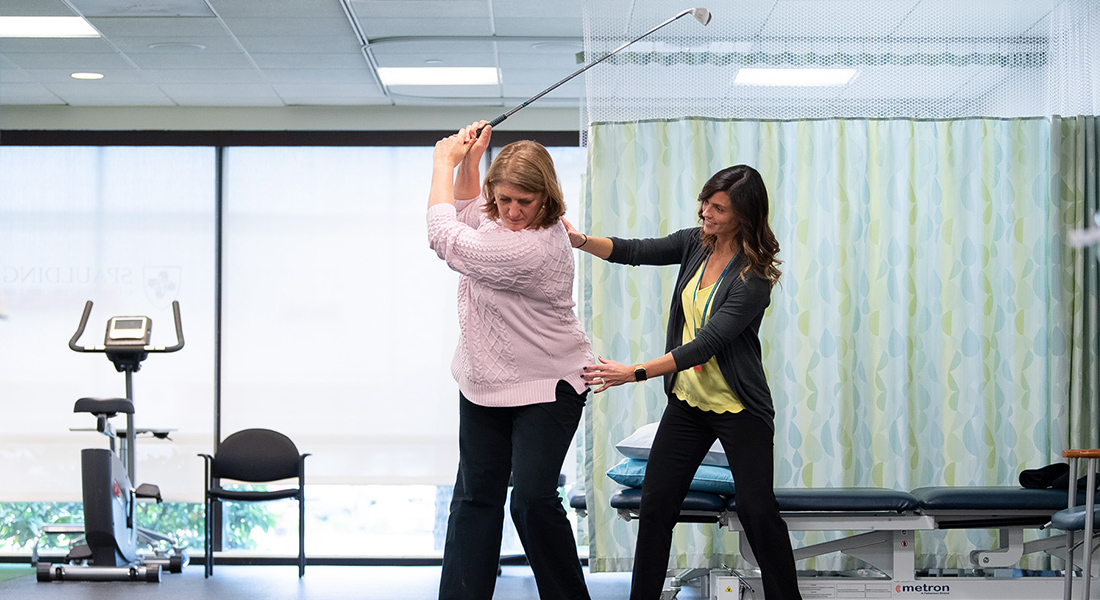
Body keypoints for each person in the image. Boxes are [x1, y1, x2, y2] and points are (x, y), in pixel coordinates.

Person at [568, 165, 803, 600]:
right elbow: (636, 249)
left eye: (718, 208)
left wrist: (634, 372)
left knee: (757, 511)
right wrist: (581, 240)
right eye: (705, 203)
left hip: (740, 408)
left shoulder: (755, 278)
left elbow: (706, 344)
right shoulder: (697, 244)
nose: (705, 213)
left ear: (743, 215)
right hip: (689, 405)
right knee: (655, 507)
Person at [426, 121, 594, 600]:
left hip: (548, 386)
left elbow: (445, 236)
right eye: (504, 200)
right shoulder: (499, 221)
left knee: (533, 502)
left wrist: (443, 162)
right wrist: (473, 164)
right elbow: (465, 211)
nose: (513, 211)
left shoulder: (531, 246)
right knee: (474, 500)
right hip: (484, 381)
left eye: (526, 201)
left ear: (547, 197)